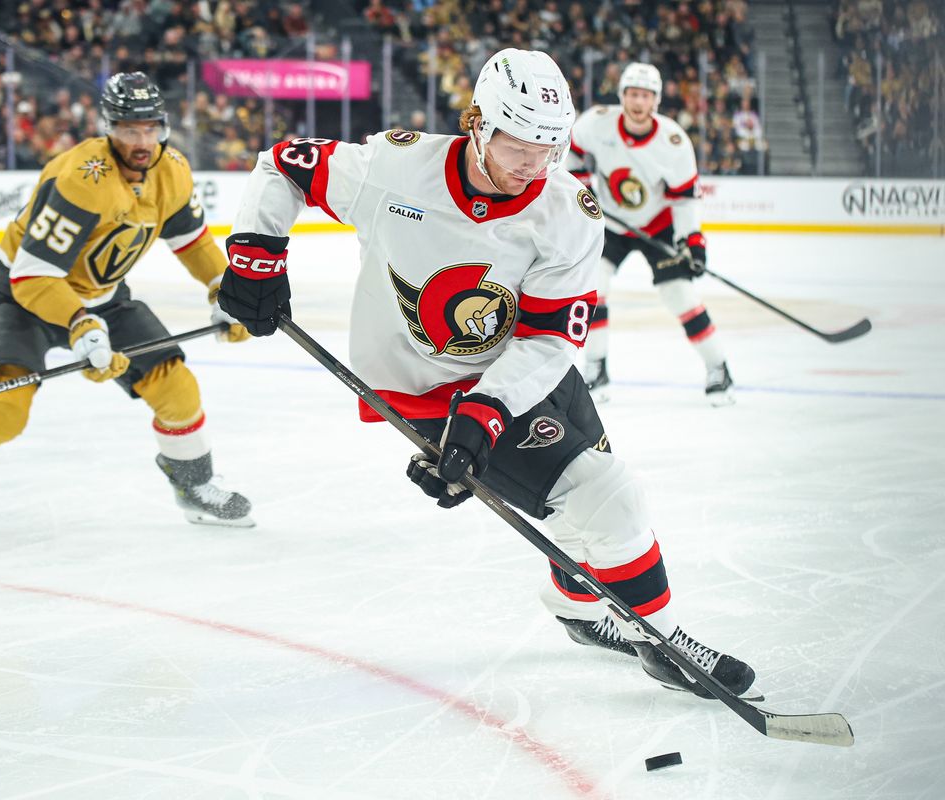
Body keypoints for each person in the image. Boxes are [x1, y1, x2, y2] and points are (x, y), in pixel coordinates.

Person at [216, 49, 755, 697]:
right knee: (608, 499)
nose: (533, 166)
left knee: (585, 501)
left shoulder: (567, 211)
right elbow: (282, 165)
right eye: (519, 147)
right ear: (477, 123)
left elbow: (551, 338)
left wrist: (488, 410)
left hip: (522, 372)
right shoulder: (395, 167)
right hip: (421, 384)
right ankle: (666, 642)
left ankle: (579, 609)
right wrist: (255, 253)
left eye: (548, 149)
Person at [0, 72, 254, 535]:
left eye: (150, 128)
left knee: (178, 390)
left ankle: (194, 486)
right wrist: (81, 326)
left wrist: (224, 289)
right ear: (109, 127)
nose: (142, 140)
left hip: (101, 299)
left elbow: (191, 240)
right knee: (2, 414)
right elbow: (32, 275)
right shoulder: (81, 179)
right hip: (21, 298)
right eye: (130, 129)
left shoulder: (173, 171)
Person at [567, 62, 734, 406]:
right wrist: (585, 192)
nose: (638, 102)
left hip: (657, 224)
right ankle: (596, 367)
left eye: (645, 96)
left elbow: (685, 198)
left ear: (655, 100)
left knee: (679, 295)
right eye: (632, 94)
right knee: (593, 286)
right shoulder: (597, 122)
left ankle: (719, 367)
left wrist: (693, 242)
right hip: (611, 222)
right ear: (622, 96)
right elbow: (574, 155)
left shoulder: (672, 142)